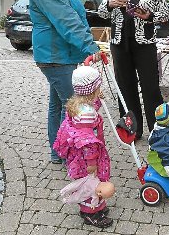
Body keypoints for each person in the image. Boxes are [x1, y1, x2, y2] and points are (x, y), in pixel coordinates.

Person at [21, 0, 100, 164]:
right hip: (55, 55)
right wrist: (89, 45)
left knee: (59, 105)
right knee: (73, 106)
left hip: (60, 54)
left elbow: (74, 15)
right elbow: (66, 20)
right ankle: (72, 155)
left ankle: (59, 152)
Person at [98, 0, 169, 140]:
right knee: (126, 88)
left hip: (145, 44)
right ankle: (132, 130)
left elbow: (165, 14)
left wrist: (148, 15)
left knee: (151, 89)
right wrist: (110, 4)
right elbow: (101, 12)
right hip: (120, 43)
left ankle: (158, 131)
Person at [53, 66, 113, 228]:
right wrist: (92, 161)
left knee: (92, 181)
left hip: (79, 156)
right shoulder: (86, 115)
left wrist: (97, 99)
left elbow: (93, 106)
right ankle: (90, 213)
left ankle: (96, 207)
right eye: (98, 86)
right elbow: (87, 143)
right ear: (92, 89)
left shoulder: (79, 104)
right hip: (86, 158)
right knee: (89, 184)